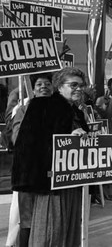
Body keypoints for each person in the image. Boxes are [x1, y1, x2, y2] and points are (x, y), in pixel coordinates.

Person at [12, 67, 89, 246]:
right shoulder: (41, 105)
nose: (79, 89)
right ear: (59, 87)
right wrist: (68, 138)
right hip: (51, 185)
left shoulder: (76, 111)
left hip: (73, 181)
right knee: (49, 234)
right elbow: (29, 145)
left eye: (81, 85)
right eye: (73, 85)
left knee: (69, 233)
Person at [8, 73, 53, 247]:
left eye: (47, 84)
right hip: (28, 173)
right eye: (39, 84)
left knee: (48, 217)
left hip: (51, 173)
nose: (43, 87)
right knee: (27, 219)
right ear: (33, 90)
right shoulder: (22, 110)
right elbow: (17, 138)